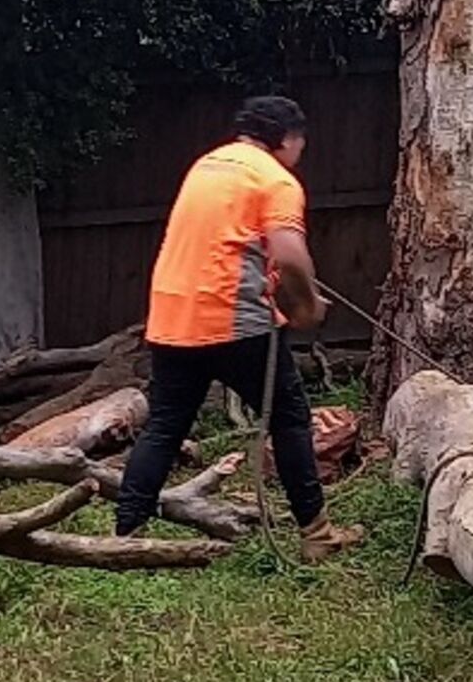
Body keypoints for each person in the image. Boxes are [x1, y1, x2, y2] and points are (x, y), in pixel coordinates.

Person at [114, 95, 363, 564]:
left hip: (172, 313)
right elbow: (289, 254)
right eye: (300, 142)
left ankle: (127, 535)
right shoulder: (275, 179)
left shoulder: (206, 166)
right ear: (288, 139)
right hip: (232, 319)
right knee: (289, 420)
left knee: (165, 425)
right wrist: (307, 306)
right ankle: (316, 534)